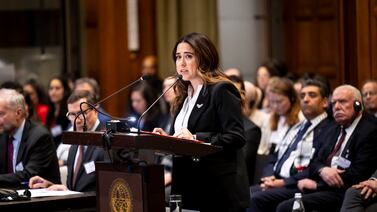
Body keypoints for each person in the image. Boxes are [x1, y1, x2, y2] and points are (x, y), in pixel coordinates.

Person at [153, 32, 249, 211]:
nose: (181, 63)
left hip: (215, 188)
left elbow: (236, 137)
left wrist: (196, 137)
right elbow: (185, 138)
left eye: (188, 56)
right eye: (178, 57)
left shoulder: (222, 90)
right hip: (186, 182)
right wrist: (168, 140)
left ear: (204, 58)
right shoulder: (184, 95)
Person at [276, 85, 377, 212]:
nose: (337, 107)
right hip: (323, 186)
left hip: (343, 191)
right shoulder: (334, 128)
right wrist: (322, 170)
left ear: (358, 105)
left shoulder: (370, 130)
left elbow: (359, 174)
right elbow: (314, 162)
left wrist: (317, 185)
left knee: (285, 208)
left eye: (343, 102)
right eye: (334, 103)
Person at [248, 79, 332, 212]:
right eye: (303, 95)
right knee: (244, 194)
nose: (305, 99)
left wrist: (283, 182)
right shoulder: (298, 126)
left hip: (297, 184)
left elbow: (315, 166)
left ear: (325, 102)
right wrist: (269, 177)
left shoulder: (329, 129)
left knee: (254, 198)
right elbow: (275, 156)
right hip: (279, 179)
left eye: (312, 95)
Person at [29, 90, 106, 192]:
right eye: (72, 114)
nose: (77, 120)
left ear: (95, 110)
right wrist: (51, 186)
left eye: (81, 113)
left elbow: (107, 187)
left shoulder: (107, 142)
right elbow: (74, 188)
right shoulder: (73, 145)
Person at [0, 89, 60, 187]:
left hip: (42, 198)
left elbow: (28, 175)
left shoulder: (40, 137)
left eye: (1, 114)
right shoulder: (3, 134)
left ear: (18, 113)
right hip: (12, 197)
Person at [46, 77, 71, 149]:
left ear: (65, 91)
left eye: (57, 88)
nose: (53, 92)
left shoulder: (69, 112)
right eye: (51, 88)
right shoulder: (50, 111)